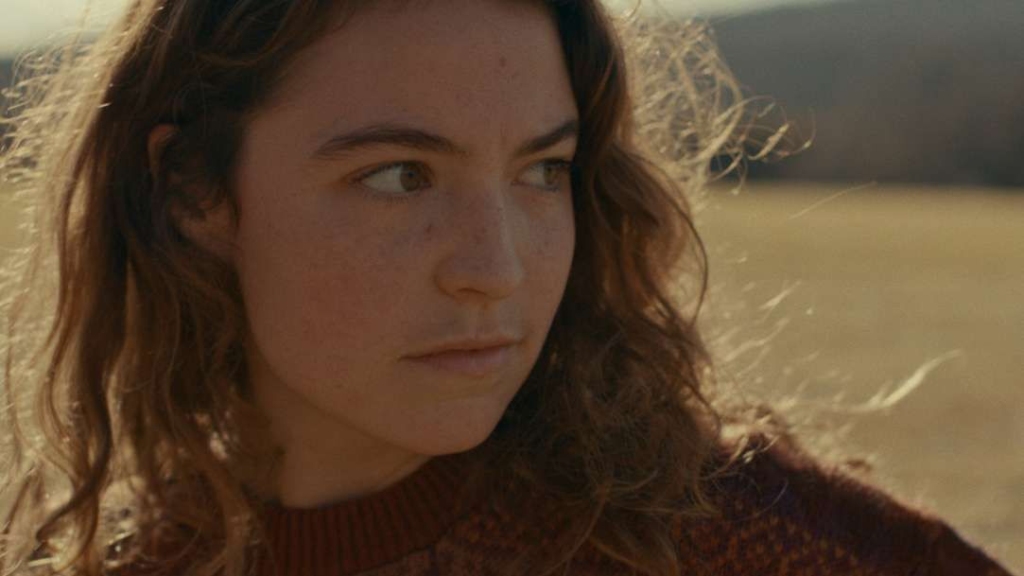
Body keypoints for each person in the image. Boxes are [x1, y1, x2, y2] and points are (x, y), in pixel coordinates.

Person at [0, 1, 1014, 575]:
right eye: (399, 176)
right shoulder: (120, 562)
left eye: (542, 171)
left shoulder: (732, 541)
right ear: (194, 190)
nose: (496, 269)